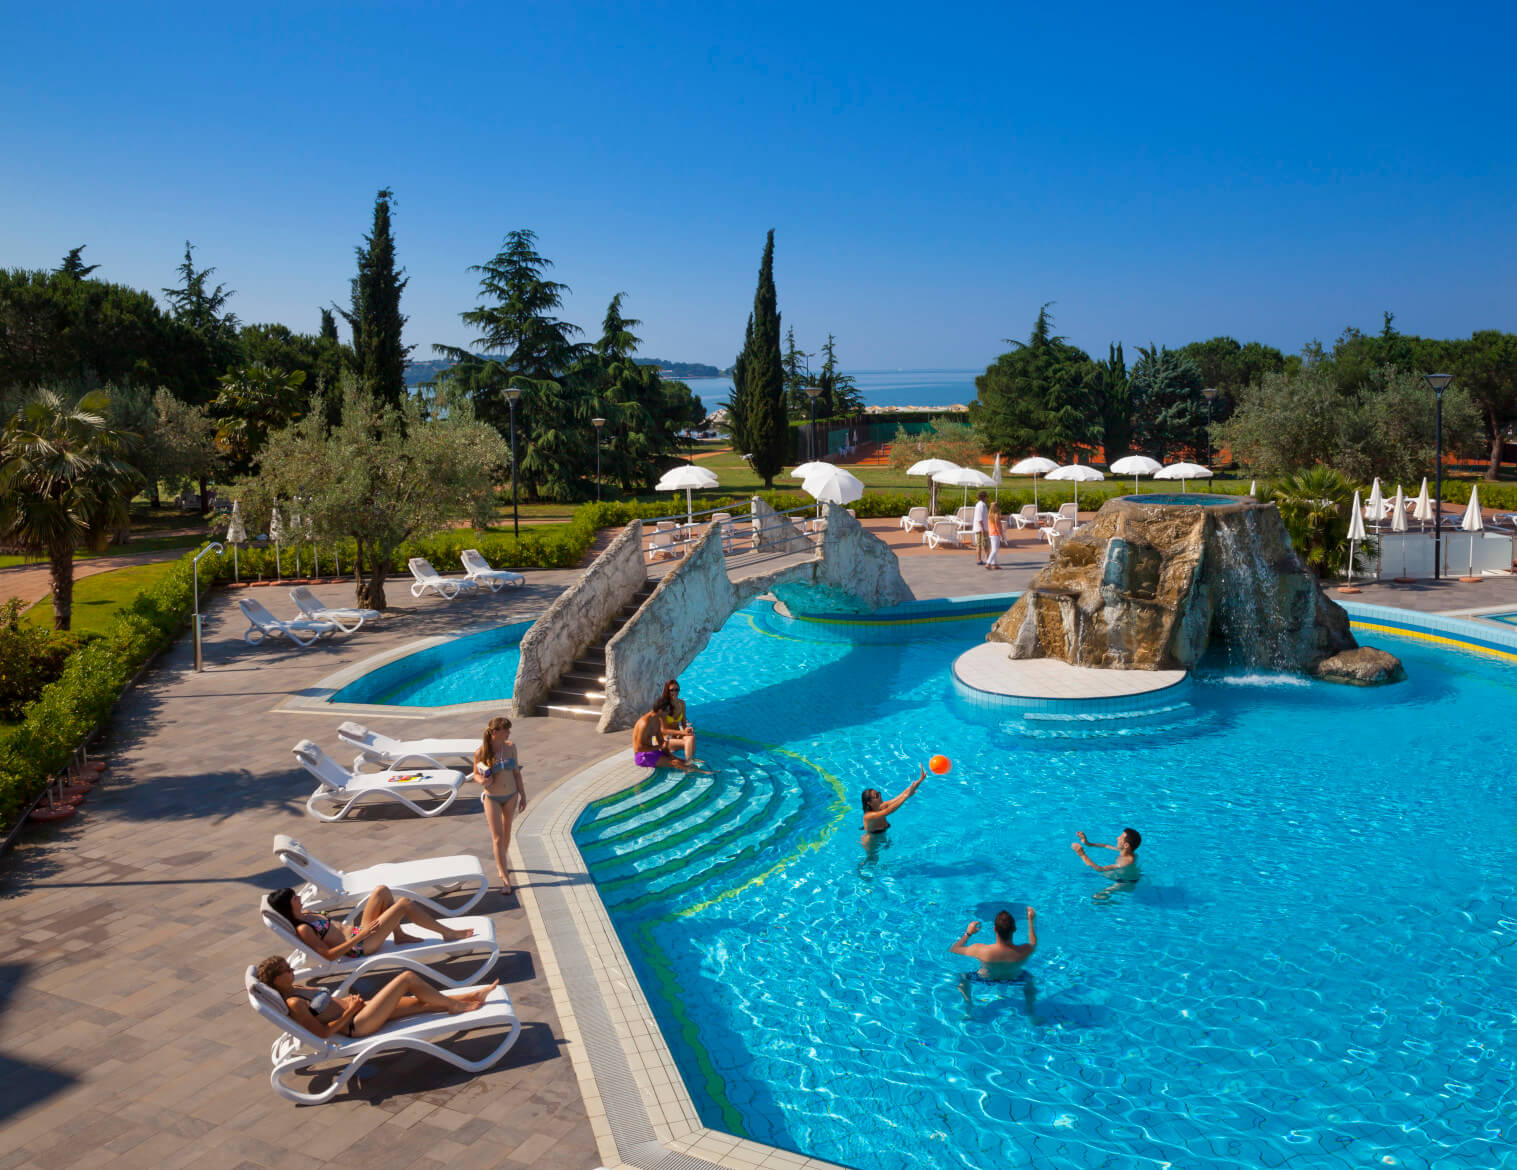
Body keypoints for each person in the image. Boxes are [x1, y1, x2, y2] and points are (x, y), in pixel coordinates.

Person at [254, 955, 496, 1039]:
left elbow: (327, 1008)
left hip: (360, 1010)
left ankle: (472, 994)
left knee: (421, 1004)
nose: (291, 970)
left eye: (289, 967)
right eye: (286, 970)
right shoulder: (294, 1003)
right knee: (407, 978)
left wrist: (349, 1002)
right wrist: (350, 1010)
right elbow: (324, 1033)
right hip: (357, 1024)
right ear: (276, 980)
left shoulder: (295, 987)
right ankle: (456, 1005)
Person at [268, 886, 475, 962]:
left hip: (360, 932)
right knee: (404, 904)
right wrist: (360, 936)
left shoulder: (305, 913)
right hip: (360, 945)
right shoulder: (304, 929)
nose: (299, 898)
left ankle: (399, 935)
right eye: (294, 898)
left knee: (381, 891)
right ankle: (447, 933)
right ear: (288, 906)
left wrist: (361, 931)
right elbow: (329, 956)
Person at [473, 715, 528, 893]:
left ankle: (500, 862)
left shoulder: (511, 747)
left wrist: (523, 795)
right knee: (497, 837)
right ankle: (505, 879)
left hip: (511, 795)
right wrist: (482, 780)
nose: (509, 734)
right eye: (506, 731)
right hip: (492, 798)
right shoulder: (482, 752)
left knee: (506, 832)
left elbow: (516, 773)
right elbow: (474, 774)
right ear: (495, 732)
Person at [950, 907, 1037, 978]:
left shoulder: (981, 950)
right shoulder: (1024, 950)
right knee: (1030, 980)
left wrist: (968, 933)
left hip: (986, 978)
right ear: (1014, 929)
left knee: (962, 977)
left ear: (995, 929)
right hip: (1014, 979)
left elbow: (953, 949)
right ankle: (1030, 999)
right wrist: (1030, 920)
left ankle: (967, 999)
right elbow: (1033, 943)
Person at [860, 767, 925, 841]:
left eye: (878, 793)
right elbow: (889, 810)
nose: (880, 796)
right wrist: (906, 796)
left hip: (883, 834)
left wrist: (920, 780)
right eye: (876, 796)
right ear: (869, 803)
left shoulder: (882, 806)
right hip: (872, 841)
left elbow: (901, 795)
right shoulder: (868, 816)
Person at [632, 705, 697, 772]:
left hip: (653, 751)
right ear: (660, 711)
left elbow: (661, 742)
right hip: (642, 756)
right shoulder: (644, 724)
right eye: (666, 713)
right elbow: (639, 748)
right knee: (677, 763)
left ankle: (695, 771)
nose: (666, 716)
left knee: (682, 761)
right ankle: (697, 773)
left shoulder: (655, 722)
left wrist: (669, 755)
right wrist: (659, 746)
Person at [1071, 827, 1142, 882]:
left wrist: (1081, 854)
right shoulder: (1126, 851)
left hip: (1125, 882)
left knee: (1097, 897)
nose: (1117, 838)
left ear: (1126, 845)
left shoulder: (1125, 862)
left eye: (1120, 837)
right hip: (1124, 874)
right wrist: (1087, 843)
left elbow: (1100, 869)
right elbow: (1105, 845)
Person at [655, 679, 697, 763]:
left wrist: (687, 729)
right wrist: (683, 733)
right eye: (672, 690)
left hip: (677, 736)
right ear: (667, 691)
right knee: (688, 741)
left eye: (677, 689)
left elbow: (684, 722)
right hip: (665, 739)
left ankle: (690, 760)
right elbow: (663, 730)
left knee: (692, 736)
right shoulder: (663, 706)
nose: (675, 692)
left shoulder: (682, 703)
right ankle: (689, 764)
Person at [972, 491, 989, 565]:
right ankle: (983, 559)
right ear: (984, 497)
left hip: (982, 527)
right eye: (987, 496)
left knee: (983, 544)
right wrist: (983, 529)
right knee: (984, 544)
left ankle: (984, 559)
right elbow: (979, 518)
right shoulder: (981, 505)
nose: (988, 498)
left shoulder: (982, 505)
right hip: (981, 528)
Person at [985, 498, 1003, 570]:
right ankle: (988, 563)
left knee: (994, 549)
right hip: (996, 533)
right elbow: (998, 526)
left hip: (991, 533)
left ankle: (994, 564)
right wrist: (1001, 535)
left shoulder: (990, 515)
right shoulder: (996, 515)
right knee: (994, 550)